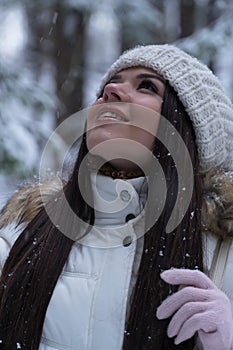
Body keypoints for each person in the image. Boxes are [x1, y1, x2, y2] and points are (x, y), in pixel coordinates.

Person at [1, 44, 233, 350]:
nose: (111, 90)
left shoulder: (225, 252)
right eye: (111, 84)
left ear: (186, 128)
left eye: (147, 86)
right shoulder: (20, 236)